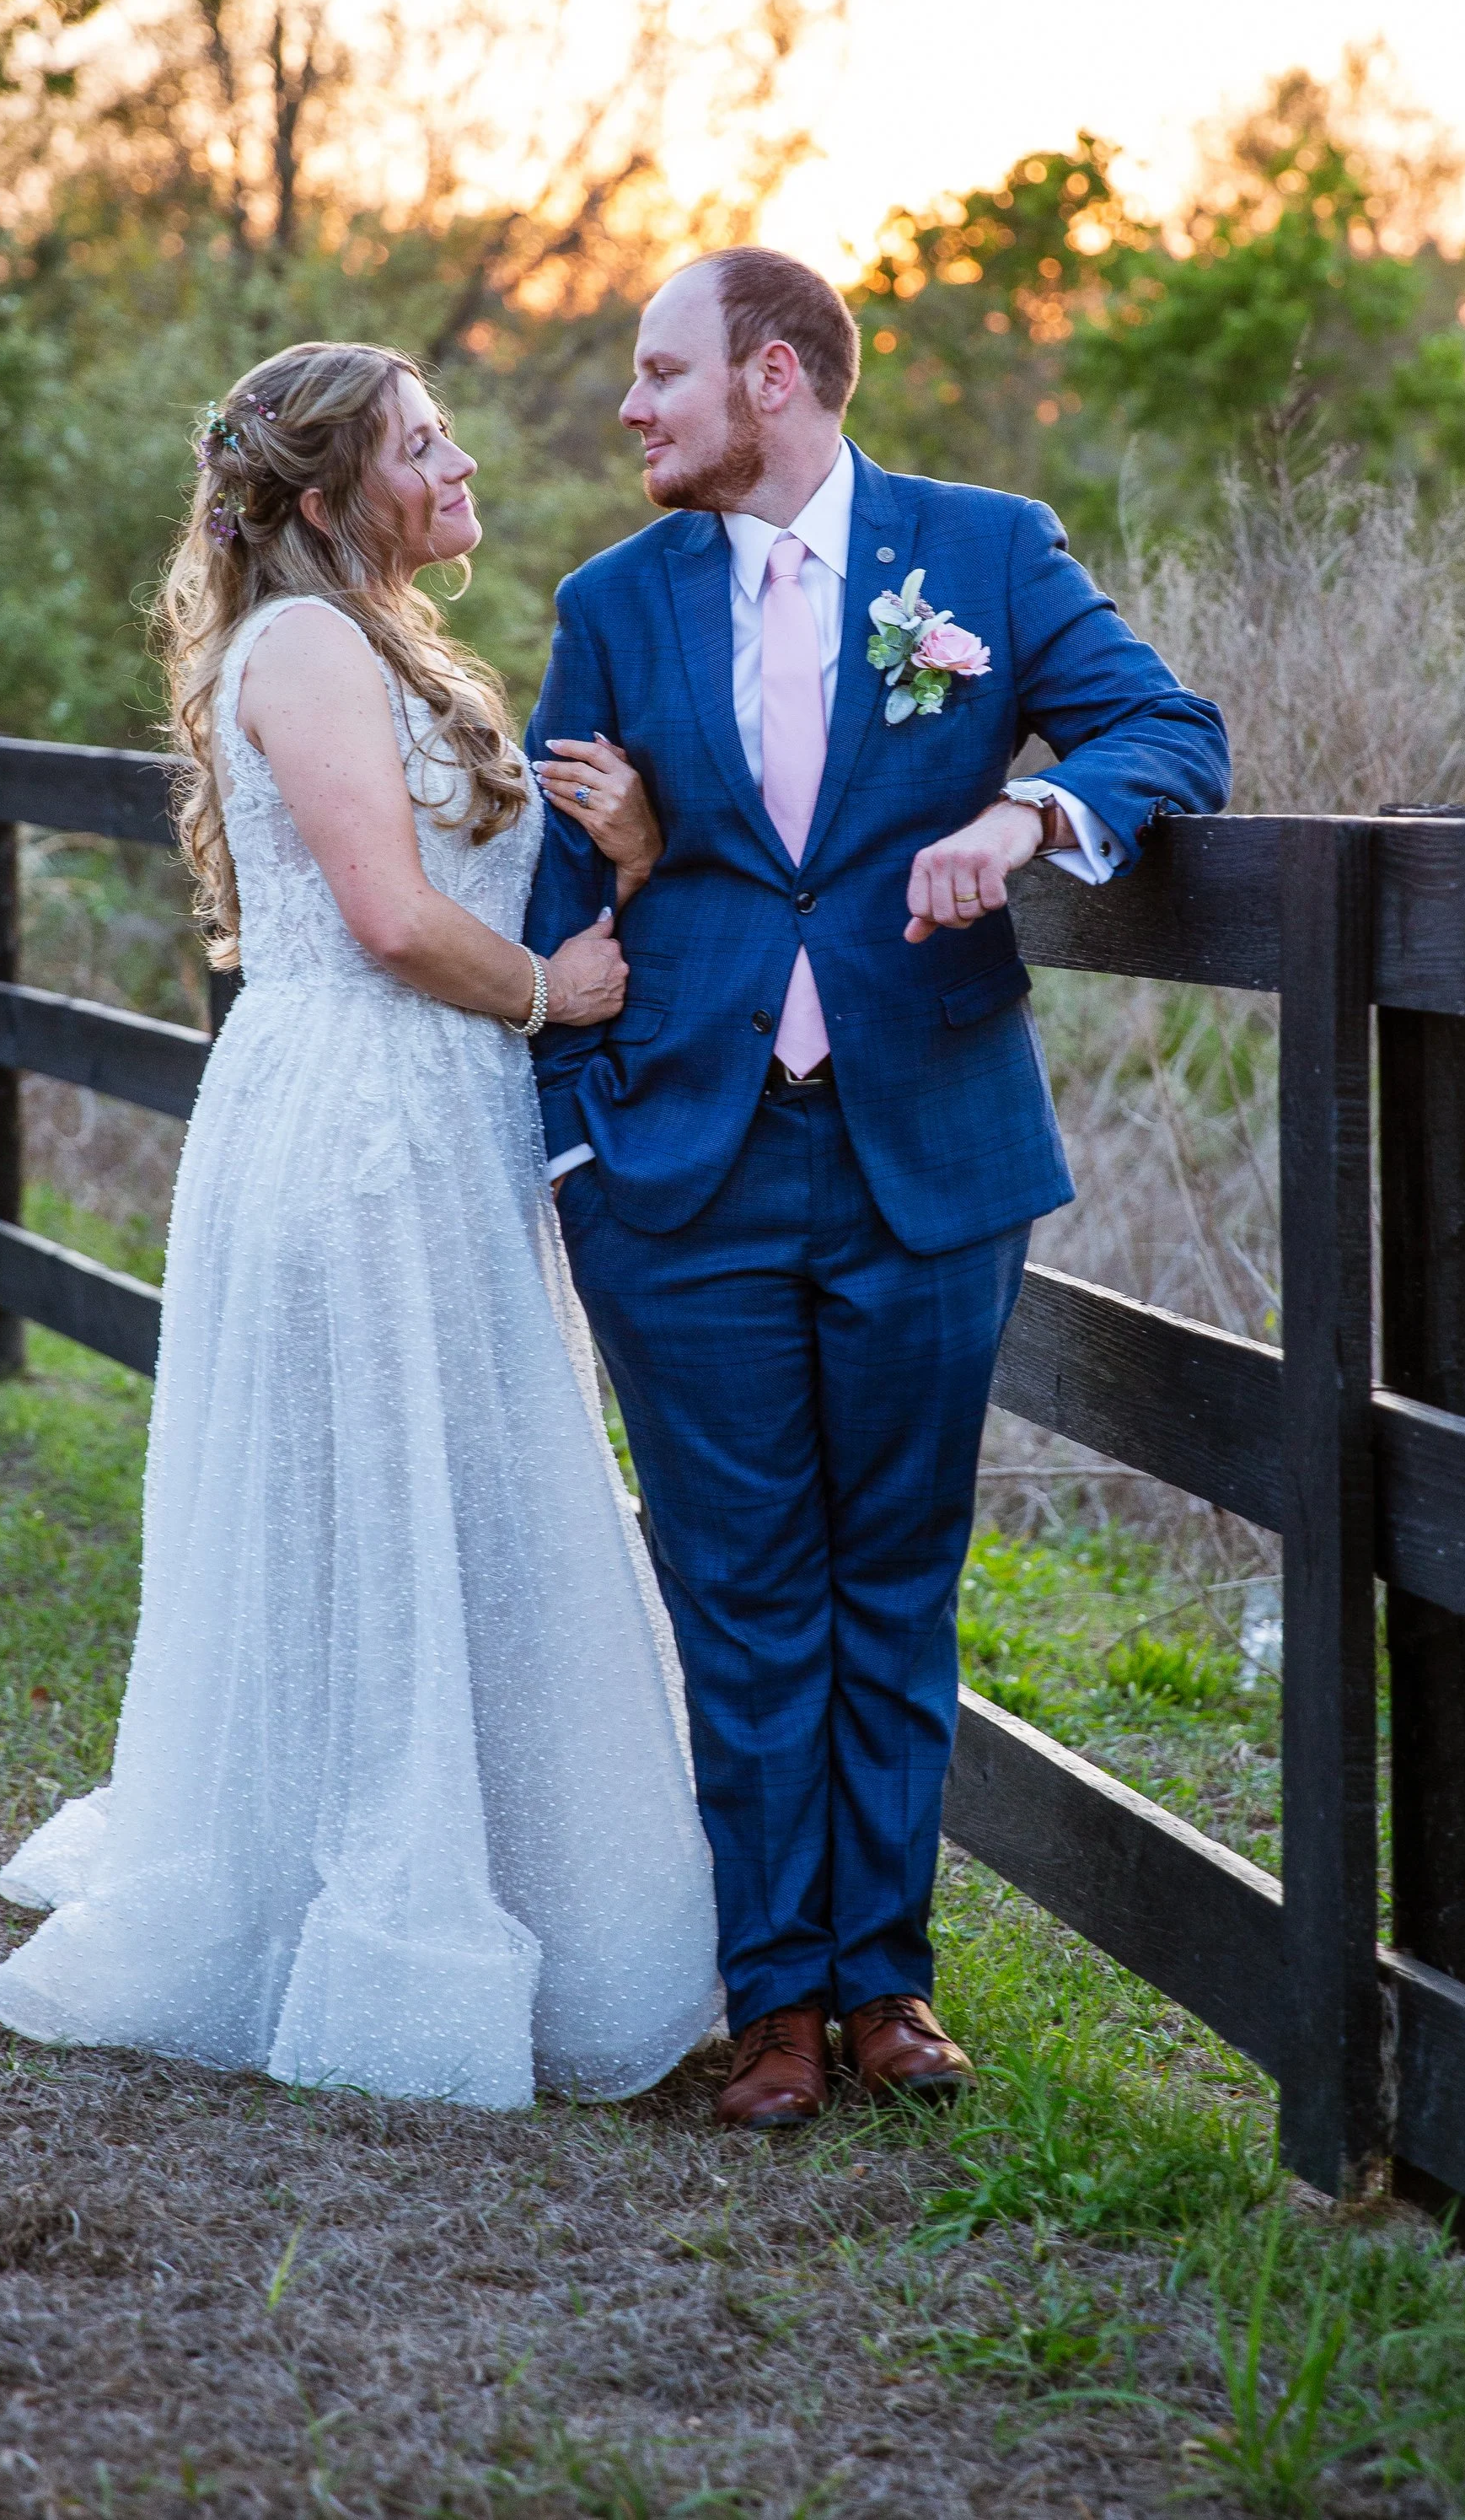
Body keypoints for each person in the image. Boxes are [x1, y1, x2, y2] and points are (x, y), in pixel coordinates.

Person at [528, 249, 1230, 2130]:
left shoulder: (982, 553)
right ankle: (775, 1999)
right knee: (739, 1580)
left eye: (658, 370)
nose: (629, 407)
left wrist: (1018, 815)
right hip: (680, 1164)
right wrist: (581, 1138)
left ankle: (887, 1983)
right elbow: (555, 900)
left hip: (925, 1155)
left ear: (771, 379)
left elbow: (1170, 731)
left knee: (897, 1577)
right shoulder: (609, 601)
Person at [0, 341, 720, 2109]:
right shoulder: (305, 645)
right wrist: (553, 993)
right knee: (376, 1491)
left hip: (429, 1118)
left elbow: (459, 871)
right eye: (417, 442)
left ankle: (477, 1867)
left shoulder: (386, 631)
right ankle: (374, 1906)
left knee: (440, 1490)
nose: (458, 459)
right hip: (357, 1119)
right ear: (319, 498)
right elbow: (389, 917)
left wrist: (618, 858)